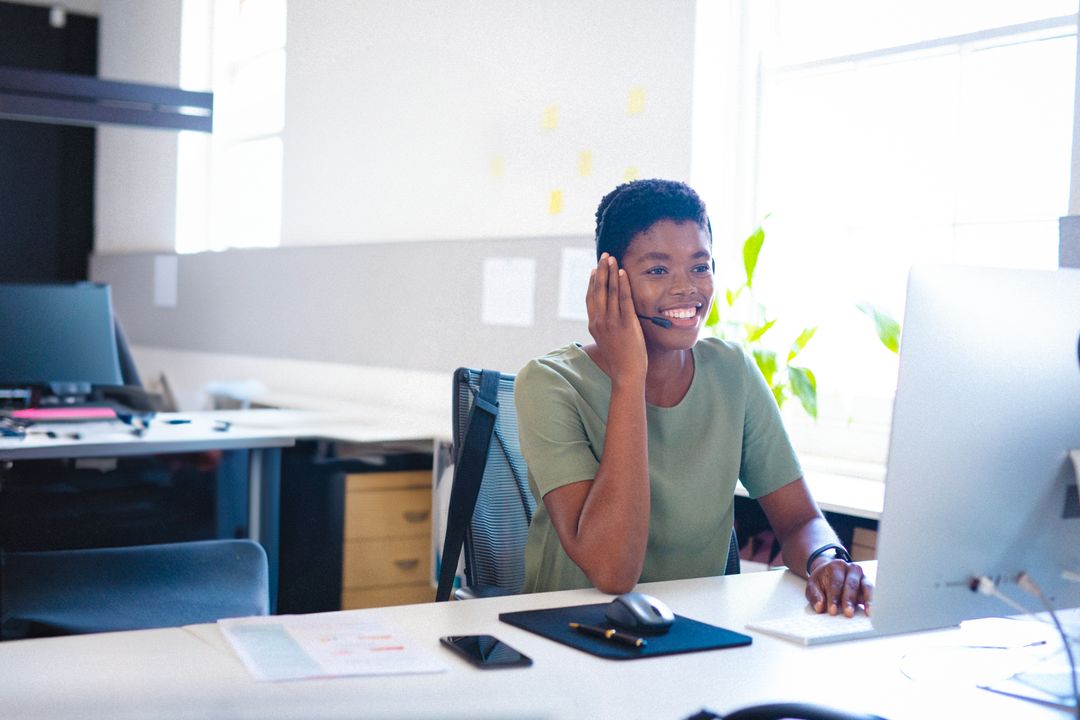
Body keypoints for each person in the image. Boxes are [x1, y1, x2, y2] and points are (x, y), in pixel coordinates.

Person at [515, 178, 872, 617]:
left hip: (699, 633)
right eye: (658, 270)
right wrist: (630, 376)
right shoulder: (549, 383)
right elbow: (612, 573)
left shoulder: (731, 371)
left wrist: (826, 560)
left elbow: (800, 521)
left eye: (700, 267)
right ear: (610, 282)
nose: (687, 289)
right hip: (574, 633)